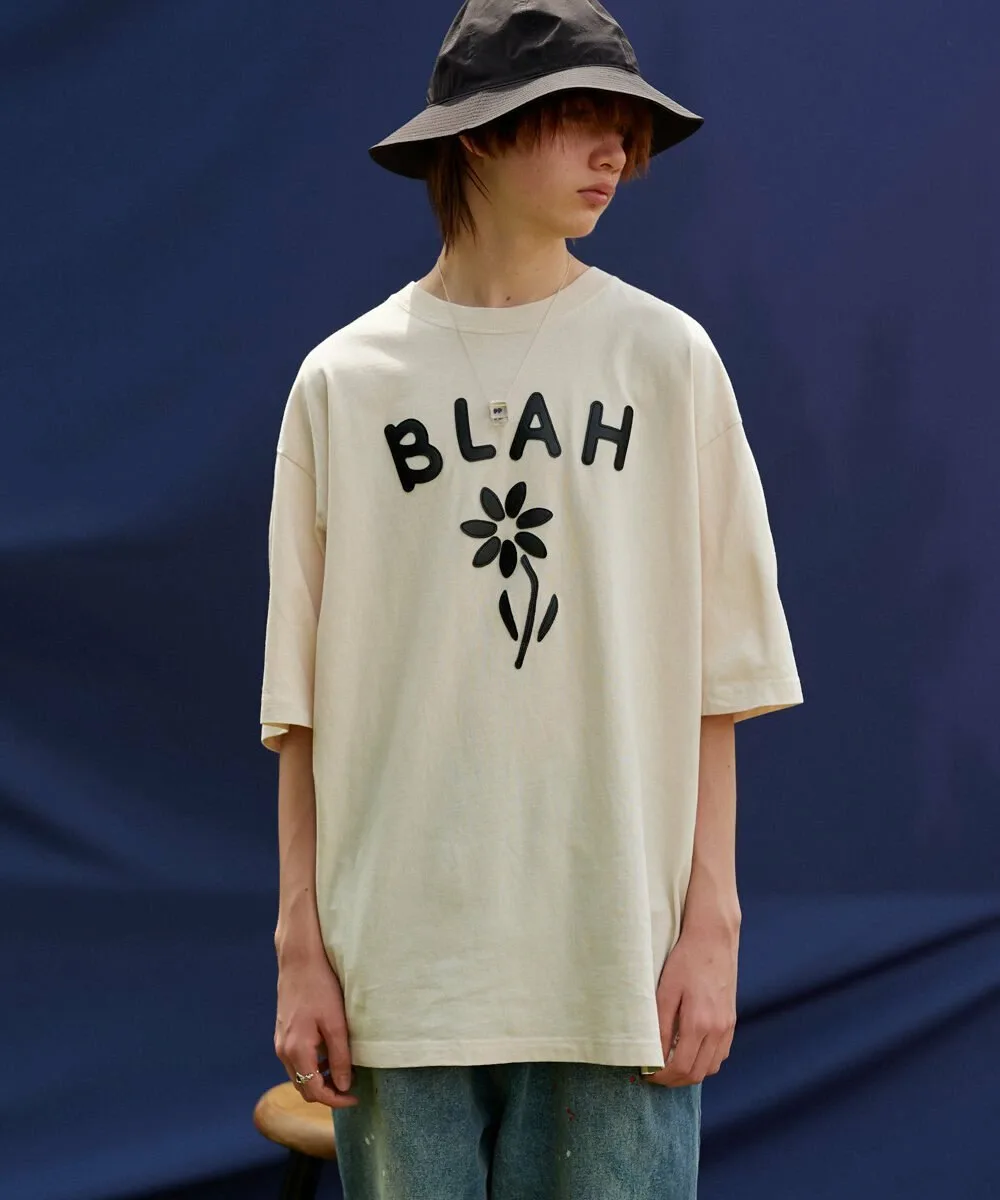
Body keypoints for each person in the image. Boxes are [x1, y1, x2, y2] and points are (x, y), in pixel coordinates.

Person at [260, 1, 804, 1195]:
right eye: (580, 120)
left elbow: (721, 674)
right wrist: (301, 942)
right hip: (399, 965)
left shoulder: (667, 361)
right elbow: (298, 704)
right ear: (478, 134)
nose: (616, 152)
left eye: (628, 130)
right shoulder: (344, 384)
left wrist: (712, 925)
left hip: (615, 957)